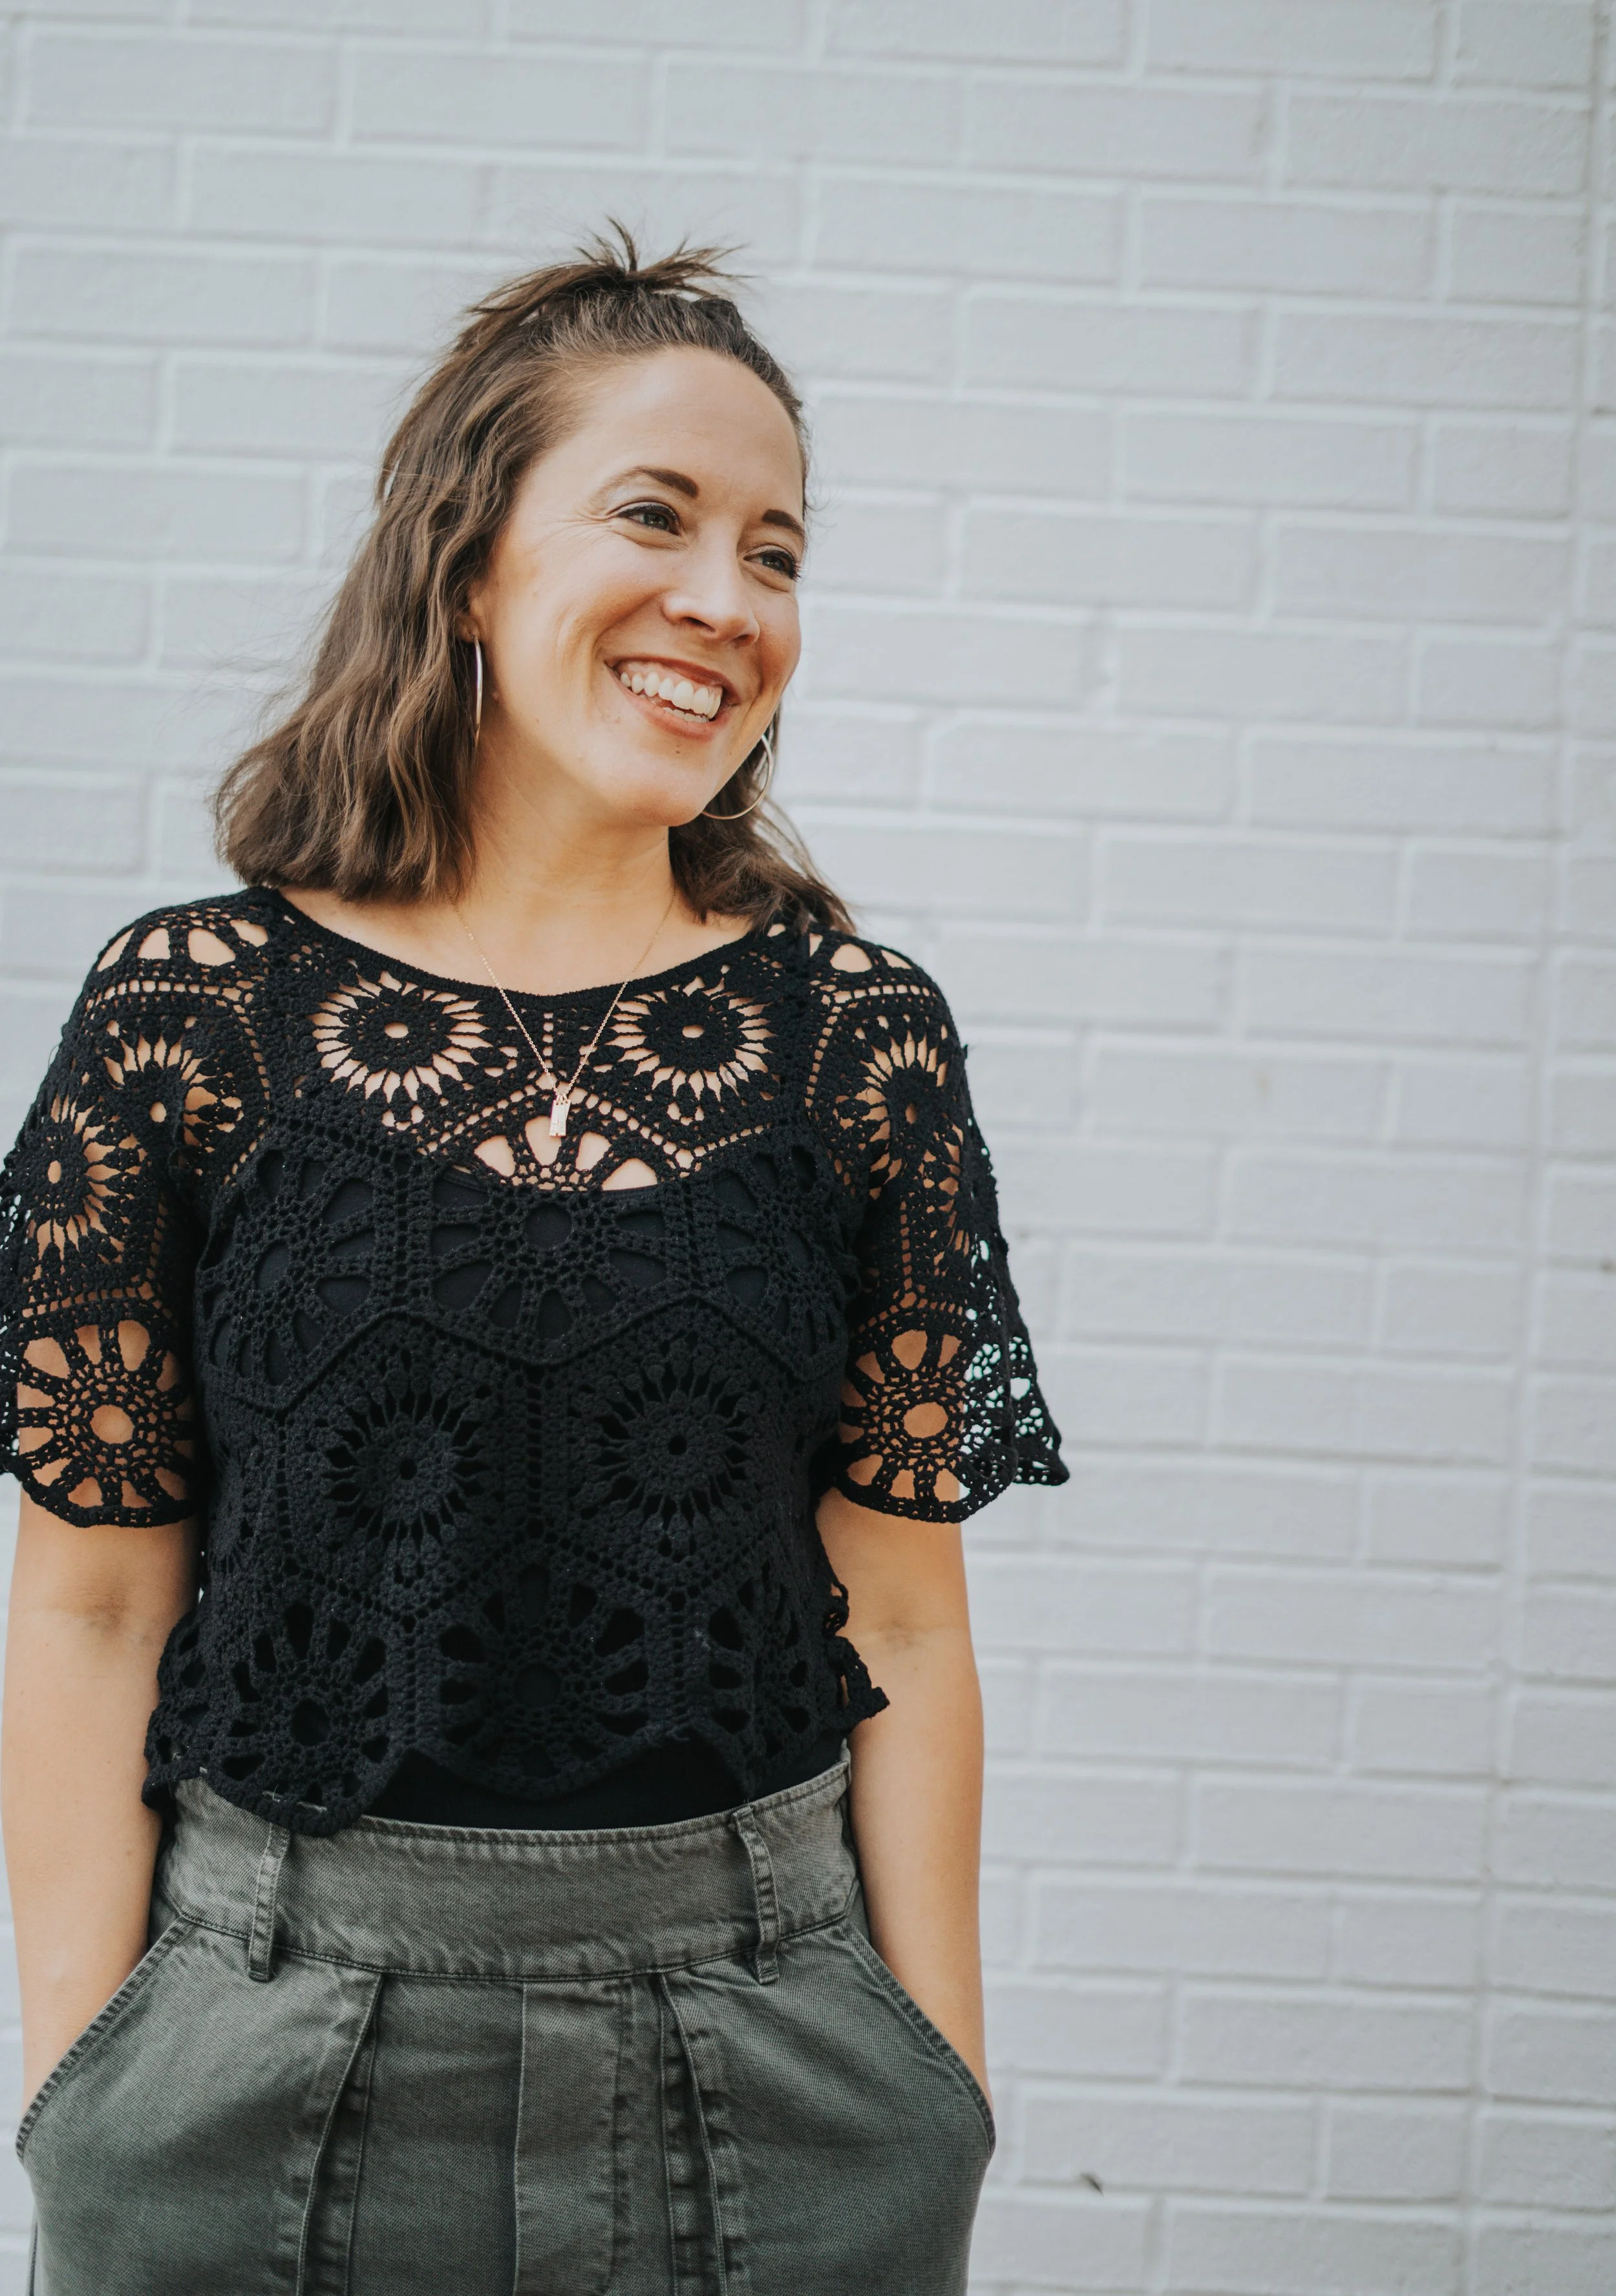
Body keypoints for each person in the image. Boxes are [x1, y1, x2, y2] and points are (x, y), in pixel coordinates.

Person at [0, 233, 1065, 2295]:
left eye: (776, 551)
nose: (726, 602)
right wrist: (86, 2077)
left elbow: (906, 1620)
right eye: (655, 516)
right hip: (253, 2042)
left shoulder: (859, 1041)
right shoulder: (190, 1016)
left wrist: (941, 2095)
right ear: (466, 557)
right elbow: (92, 1591)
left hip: (769, 2045)